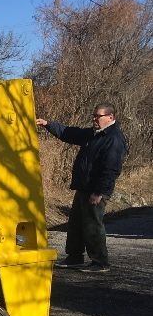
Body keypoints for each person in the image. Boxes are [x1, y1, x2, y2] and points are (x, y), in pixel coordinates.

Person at [36, 104, 127, 273]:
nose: (94, 119)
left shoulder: (113, 138)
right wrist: (48, 123)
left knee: (92, 225)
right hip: (84, 188)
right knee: (76, 223)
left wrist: (99, 192)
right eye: (93, 116)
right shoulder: (94, 134)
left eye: (98, 116)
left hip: (95, 190)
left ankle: (100, 262)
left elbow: (111, 169)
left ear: (110, 117)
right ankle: (74, 257)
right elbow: (70, 133)